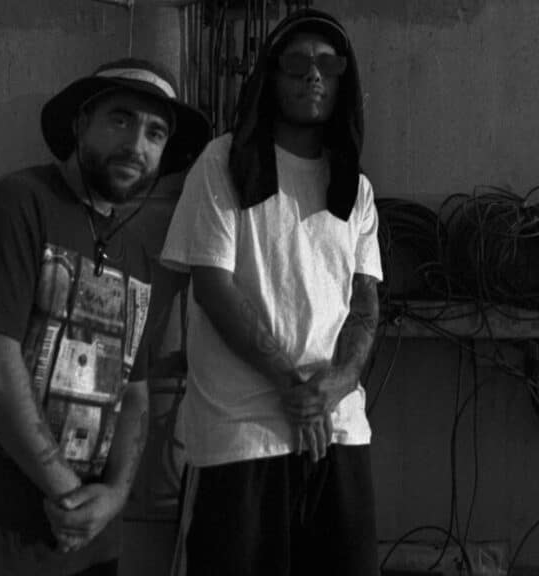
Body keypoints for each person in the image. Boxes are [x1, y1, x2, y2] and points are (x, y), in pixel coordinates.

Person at [0, 58, 210, 576]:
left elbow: (135, 394)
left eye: (155, 133)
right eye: (120, 119)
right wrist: (68, 494)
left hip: (89, 547)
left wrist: (114, 496)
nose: (136, 145)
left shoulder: (136, 257)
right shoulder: (17, 205)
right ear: (80, 124)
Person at [161, 9, 382, 576]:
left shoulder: (355, 188)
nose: (314, 75)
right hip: (241, 435)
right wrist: (292, 385)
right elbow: (213, 287)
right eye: (298, 62)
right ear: (269, 75)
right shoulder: (224, 161)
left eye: (329, 64)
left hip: (339, 431)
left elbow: (364, 305)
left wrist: (336, 385)